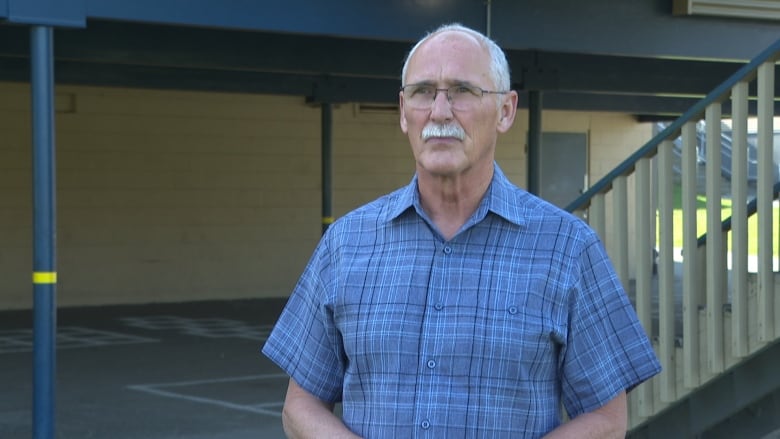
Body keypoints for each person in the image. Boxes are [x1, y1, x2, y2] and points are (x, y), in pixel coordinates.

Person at [262, 23, 661, 438]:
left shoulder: (568, 249)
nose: (439, 112)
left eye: (462, 91)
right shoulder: (346, 244)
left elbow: (607, 419)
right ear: (403, 111)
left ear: (506, 111)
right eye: (422, 92)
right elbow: (301, 403)